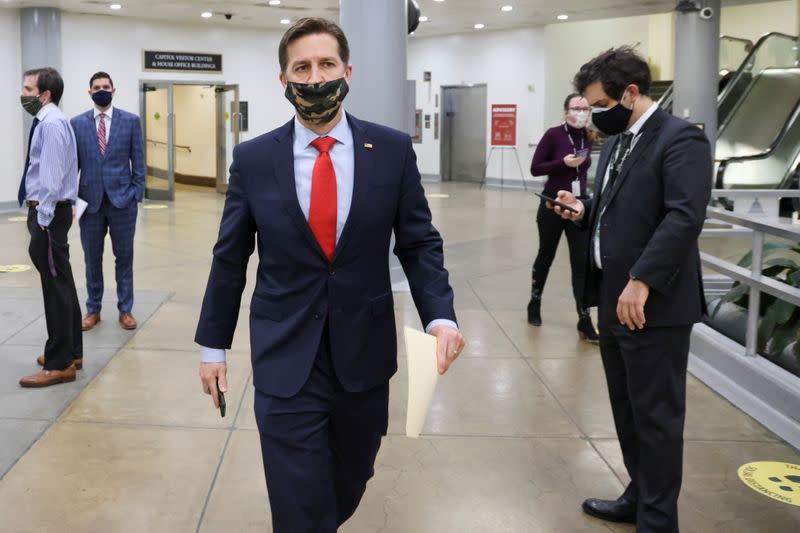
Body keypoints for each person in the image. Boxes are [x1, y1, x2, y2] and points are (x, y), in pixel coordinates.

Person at [194, 17, 465, 532]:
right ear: (284, 80)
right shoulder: (254, 160)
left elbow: (418, 242)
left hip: (362, 355)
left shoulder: (389, 150)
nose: (315, 78)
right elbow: (230, 257)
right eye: (302, 67)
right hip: (284, 354)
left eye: (326, 64)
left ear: (347, 71)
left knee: (348, 479)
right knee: (300, 506)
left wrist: (440, 317)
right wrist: (213, 346)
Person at [550, 47, 711, 532]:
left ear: (632, 93)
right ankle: (639, 496)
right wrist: (583, 212)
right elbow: (619, 206)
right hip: (614, 299)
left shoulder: (681, 140)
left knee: (658, 418)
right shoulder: (621, 142)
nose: (595, 115)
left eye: (600, 105)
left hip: (653, 305)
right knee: (627, 410)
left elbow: (683, 217)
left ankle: (659, 521)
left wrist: (641, 279)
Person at [17, 67, 83, 388]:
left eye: (28, 89)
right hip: (51, 214)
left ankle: (60, 364)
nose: (23, 94)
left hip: (48, 215)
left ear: (45, 94)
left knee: (54, 287)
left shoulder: (52, 124)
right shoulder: (49, 121)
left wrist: (41, 220)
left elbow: (52, 178)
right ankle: (71, 350)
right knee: (62, 282)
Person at [70, 71, 145, 332]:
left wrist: (137, 193)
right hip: (89, 203)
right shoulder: (76, 124)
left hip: (123, 201)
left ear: (113, 90)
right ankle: (93, 309)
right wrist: (72, 200)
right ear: (89, 92)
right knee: (92, 258)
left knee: (124, 258)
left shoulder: (131, 121)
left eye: (106, 86)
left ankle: (126, 309)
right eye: (96, 87)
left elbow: (139, 161)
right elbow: (72, 166)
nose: (101, 90)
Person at [528, 93, 598, 343]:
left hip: (578, 206)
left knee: (581, 262)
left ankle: (584, 317)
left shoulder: (587, 136)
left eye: (585, 108)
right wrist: (563, 163)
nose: (581, 112)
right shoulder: (553, 134)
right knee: (546, 255)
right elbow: (536, 168)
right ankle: (534, 302)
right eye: (576, 108)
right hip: (552, 204)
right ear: (566, 111)